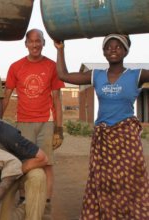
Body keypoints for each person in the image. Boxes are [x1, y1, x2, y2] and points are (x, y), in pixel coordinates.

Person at [54, 34, 149, 219]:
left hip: (126, 136)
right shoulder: (96, 75)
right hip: (103, 137)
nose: (113, 49)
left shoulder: (136, 74)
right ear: (103, 52)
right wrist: (60, 49)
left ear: (126, 51)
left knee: (130, 179)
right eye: (108, 47)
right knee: (103, 179)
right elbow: (63, 75)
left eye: (118, 46)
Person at [2, 28, 65, 215]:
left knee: (47, 165)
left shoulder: (52, 66)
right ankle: (23, 201)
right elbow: (6, 96)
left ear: (44, 43)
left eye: (39, 41)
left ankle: (45, 205)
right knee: (24, 163)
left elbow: (57, 99)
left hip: (46, 123)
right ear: (26, 44)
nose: (35, 44)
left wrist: (59, 128)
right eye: (31, 41)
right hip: (23, 122)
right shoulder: (16, 67)